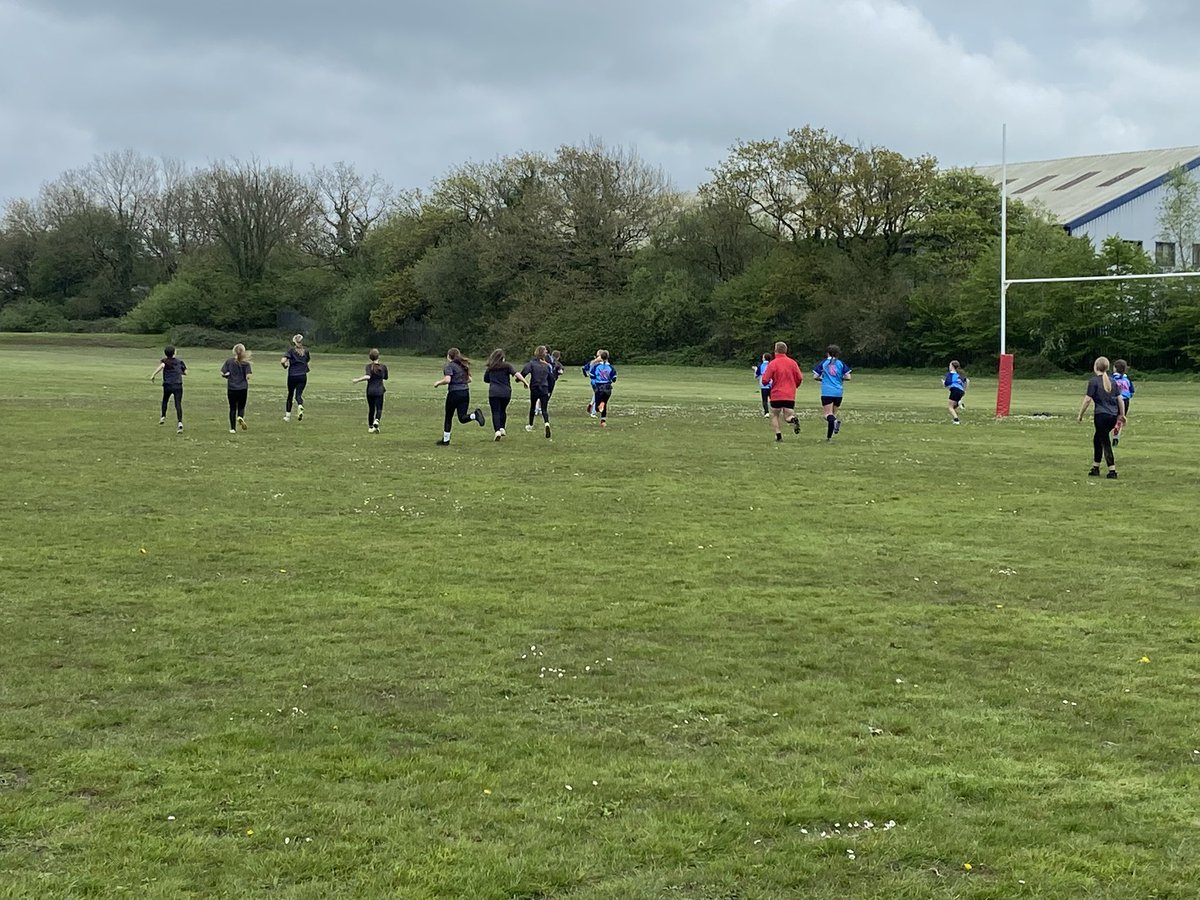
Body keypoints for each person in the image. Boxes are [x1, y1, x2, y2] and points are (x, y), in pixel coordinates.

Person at [1077, 356, 1126, 479]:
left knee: (1104, 441)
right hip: (1112, 416)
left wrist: (1080, 415)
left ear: (1095, 367)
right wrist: (1122, 415)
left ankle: (1112, 470)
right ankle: (1095, 467)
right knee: (1097, 439)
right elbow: (1120, 399)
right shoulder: (1113, 381)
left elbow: (1087, 400)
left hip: (1101, 416)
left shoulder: (1094, 381)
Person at [432, 348, 485, 445]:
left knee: (448, 416)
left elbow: (448, 380)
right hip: (465, 393)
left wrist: (438, 383)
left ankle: (446, 440)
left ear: (449, 356)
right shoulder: (463, 366)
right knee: (462, 417)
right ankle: (474, 415)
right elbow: (469, 380)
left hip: (454, 393)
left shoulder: (449, 366)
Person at [760, 341, 803, 442]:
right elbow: (800, 378)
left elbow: (765, 380)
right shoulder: (792, 363)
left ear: (775, 351)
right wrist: (794, 385)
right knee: (788, 415)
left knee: (775, 415)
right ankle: (793, 419)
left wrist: (767, 383)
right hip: (789, 394)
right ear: (786, 351)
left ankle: (778, 435)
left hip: (776, 394)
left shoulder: (773, 363)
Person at [483, 348, 529, 441]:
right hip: (506, 392)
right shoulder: (507, 366)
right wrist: (525, 382)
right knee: (503, 410)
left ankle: (497, 431)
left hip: (494, 392)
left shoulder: (490, 368)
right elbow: (516, 374)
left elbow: (486, 379)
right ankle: (502, 428)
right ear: (502, 357)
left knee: (495, 411)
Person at [812, 344, 852, 440]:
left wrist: (823, 379)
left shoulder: (824, 363)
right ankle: (829, 437)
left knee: (827, 415)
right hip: (838, 392)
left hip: (827, 391)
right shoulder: (840, 363)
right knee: (833, 415)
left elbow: (815, 376)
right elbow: (848, 377)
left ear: (827, 353)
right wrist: (839, 378)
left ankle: (834, 422)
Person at [150, 345, 186, 433]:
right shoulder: (180, 362)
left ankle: (163, 416)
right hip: (177, 384)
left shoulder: (165, 361)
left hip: (167, 384)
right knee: (178, 403)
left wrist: (153, 375)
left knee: (165, 400)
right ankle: (180, 422)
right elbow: (185, 372)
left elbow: (161, 366)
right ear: (174, 352)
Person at [351, 349, 388, 433]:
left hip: (370, 391)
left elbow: (368, 376)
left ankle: (371, 427)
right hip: (379, 391)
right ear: (378, 356)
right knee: (379, 408)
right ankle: (377, 420)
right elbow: (385, 377)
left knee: (371, 409)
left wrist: (357, 380)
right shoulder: (383, 367)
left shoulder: (369, 367)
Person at [522, 345, 555, 438]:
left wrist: (520, 379)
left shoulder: (532, 363)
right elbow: (551, 379)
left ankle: (530, 425)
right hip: (544, 387)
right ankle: (546, 423)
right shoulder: (547, 366)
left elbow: (525, 371)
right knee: (544, 408)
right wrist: (550, 390)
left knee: (533, 406)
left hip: (535, 387)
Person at [221, 343, 253, 433]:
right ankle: (240, 417)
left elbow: (223, 373)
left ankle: (232, 428)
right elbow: (248, 376)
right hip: (243, 388)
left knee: (232, 408)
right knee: (241, 407)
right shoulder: (246, 363)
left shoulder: (229, 361)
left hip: (231, 388)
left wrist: (226, 376)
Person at [280, 334, 311, 422]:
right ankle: (300, 405)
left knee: (290, 395)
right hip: (303, 375)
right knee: (298, 395)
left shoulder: (291, 350)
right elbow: (307, 360)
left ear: (294, 341)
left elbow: (283, 361)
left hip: (293, 375)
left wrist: (285, 365)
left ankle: (287, 416)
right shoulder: (306, 351)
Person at [590, 350, 617, 427]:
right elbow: (614, 379)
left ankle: (600, 405)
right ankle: (603, 421)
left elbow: (592, 375)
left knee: (598, 407)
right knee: (605, 403)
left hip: (599, 387)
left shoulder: (596, 367)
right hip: (607, 387)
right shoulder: (611, 368)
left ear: (600, 357)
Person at [1111, 359, 1135, 446]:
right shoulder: (1127, 379)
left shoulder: (1112, 378)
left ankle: (1112, 427)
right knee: (1121, 418)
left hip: (1115, 400)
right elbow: (1131, 392)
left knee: (1111, 417)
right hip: (1126, 401)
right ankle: (1116, 437)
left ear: (1115, 368)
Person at [582, 351, 602, 417]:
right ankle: (593, 412)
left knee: (596, 394)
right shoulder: (600, 364)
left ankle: (591, 404)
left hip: (593, 381)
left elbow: (584, 368)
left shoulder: (592, 362)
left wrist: (586, 375)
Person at [754, 352, 773, 417]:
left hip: (764, 385)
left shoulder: (761, 365)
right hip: (772, 385)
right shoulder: (772, 365)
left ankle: (766, 412)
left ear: (764, 358)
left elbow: (756, 375)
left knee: (765, 400)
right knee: (773, 399)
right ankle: (775, 411)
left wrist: (755, 369)